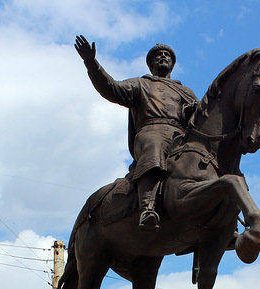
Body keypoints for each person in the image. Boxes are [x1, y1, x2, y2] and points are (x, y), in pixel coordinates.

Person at [75, 35, 198, 230]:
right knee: (154, 144)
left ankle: (224, 220)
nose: (163, 57)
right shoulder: (141, 84)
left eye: (167, 55)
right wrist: (91, 63)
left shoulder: (186, 92)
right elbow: (112, 88)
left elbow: (200, 119)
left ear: (173, 64)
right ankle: (147, 207)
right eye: (158, 55)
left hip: (180, 136)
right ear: (150, 64)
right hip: (151, 131)